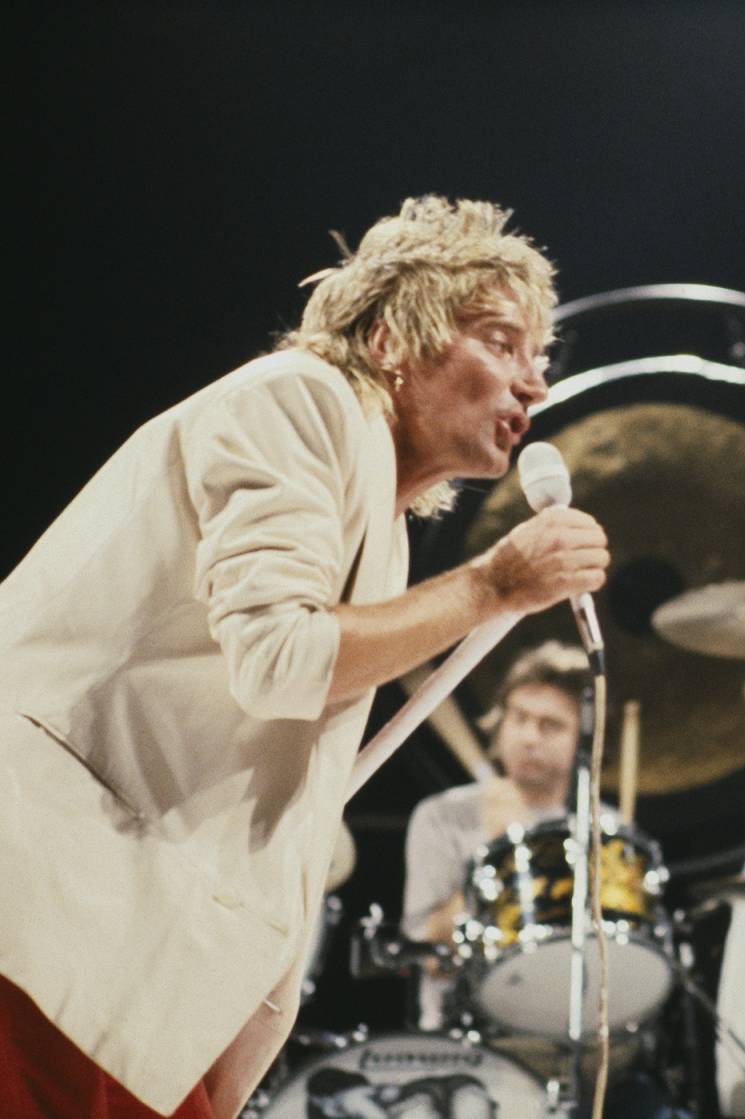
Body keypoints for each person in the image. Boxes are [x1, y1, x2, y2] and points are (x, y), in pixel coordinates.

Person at [0, 196, 610, 1119]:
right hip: (43, 903)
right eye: (500, 340)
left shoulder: (383, 522)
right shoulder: (299, 398)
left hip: (108, 945)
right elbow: (281, 656)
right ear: (390, 339)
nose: (534, 385)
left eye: (540, 359)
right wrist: (492, 586)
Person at [402, 639, 591, 1028]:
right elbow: (433, 957)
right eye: (518, 718)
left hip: (567, 1029)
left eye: (550, 725)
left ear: (582, 740)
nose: (529, 737)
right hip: (463, 1036)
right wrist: (496, 853)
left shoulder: (601, 829)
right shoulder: (444, 816)